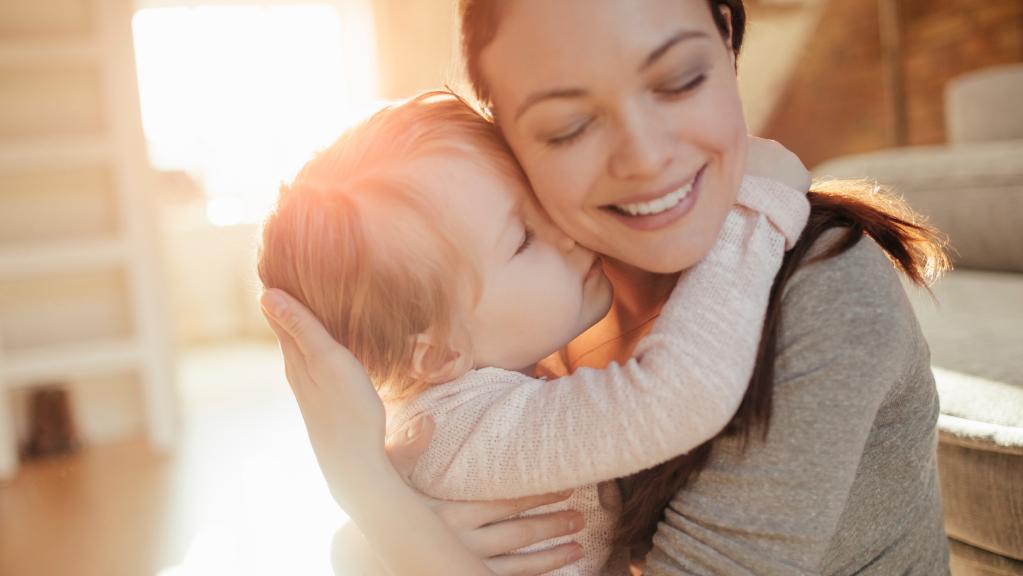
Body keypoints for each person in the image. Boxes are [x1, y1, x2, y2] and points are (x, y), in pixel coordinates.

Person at [261, 0, 952, 573]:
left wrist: (382, 517)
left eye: (680, 79)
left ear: (728, 47)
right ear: (509, 139)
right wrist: (375, 525)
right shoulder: (552, 308)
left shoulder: (822, 294)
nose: (645, 155)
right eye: (567, 126)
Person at [259, 89, 809, 575]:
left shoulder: (459, 406)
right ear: (436, 354)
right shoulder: (466, 431)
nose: (564, 232)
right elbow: (678, 395)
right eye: (523, 238)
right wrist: (752, 211)